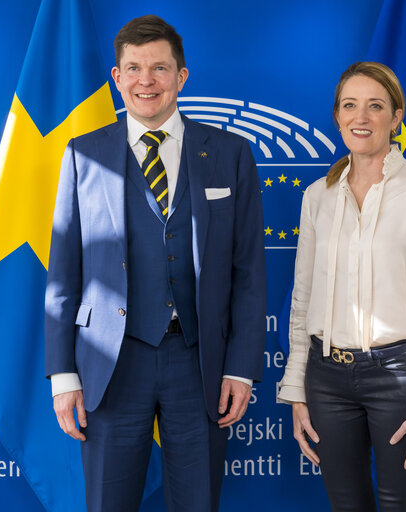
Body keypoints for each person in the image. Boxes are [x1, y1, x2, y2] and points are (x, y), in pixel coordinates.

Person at [45, 15, 266, 512]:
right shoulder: (83, 154)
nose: (147, 80)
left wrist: (242, 369)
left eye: (160, 68)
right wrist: (63, 374)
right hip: (111, 362)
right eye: (135, 68)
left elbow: (249, 274)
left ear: (181, 77)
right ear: (116, 77)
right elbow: (64, 275)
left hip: (200, 361)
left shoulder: (230, 154)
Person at [278, 62, 406, 512]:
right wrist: (297, 387)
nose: (361, 117)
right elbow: (303, 300)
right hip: (326, 379)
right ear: (338, 117)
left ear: (396, 117)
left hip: (399, 379)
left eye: (375, 106)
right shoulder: (316, 196)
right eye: (350, 106)